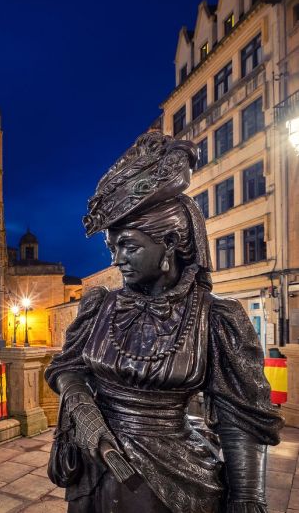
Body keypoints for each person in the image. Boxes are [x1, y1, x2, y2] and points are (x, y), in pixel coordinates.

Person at [45, 132, 283, 513]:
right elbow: (67, 367)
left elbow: (241, 419)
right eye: (113, 248)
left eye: (130, 247)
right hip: (93, 475)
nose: (117, 260)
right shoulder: (99, 305)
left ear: (170, 243)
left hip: (172, 482)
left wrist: (246, 498)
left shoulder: (216, 316)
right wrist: (80, 405)